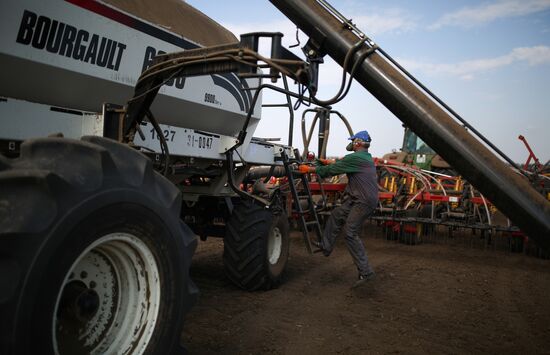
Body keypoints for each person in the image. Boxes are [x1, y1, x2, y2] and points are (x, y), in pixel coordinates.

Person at [297, 130, 378, 288]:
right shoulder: (364, 157)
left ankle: (366, 272)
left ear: (358, 143)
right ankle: (326, 246)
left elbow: (331, 172)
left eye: (353, 140)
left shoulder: (355, 157)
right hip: (357, 198)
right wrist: (328, 162)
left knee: (350, 232)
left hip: (363, 201)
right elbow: (342, 164)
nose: (351, 143)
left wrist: (310, 170)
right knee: (337, 214)